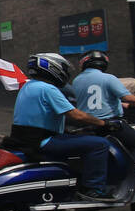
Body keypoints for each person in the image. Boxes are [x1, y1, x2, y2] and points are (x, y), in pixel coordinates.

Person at [12, 53, 118, 201]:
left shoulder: (28, 86)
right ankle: (93, 189)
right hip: (43, 141)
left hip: (25, 139)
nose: (66, 73)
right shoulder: (48, 89)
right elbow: (75, 115)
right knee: (99, 144)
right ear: (52, 68)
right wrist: (104, 123)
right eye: (63, 68)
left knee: (78, 138)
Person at [71, 51, 135, 163]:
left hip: (89, 125)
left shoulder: (76, 81)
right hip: (112, 124)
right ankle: (134, 175)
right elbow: (128, 98)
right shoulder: (108, 78)